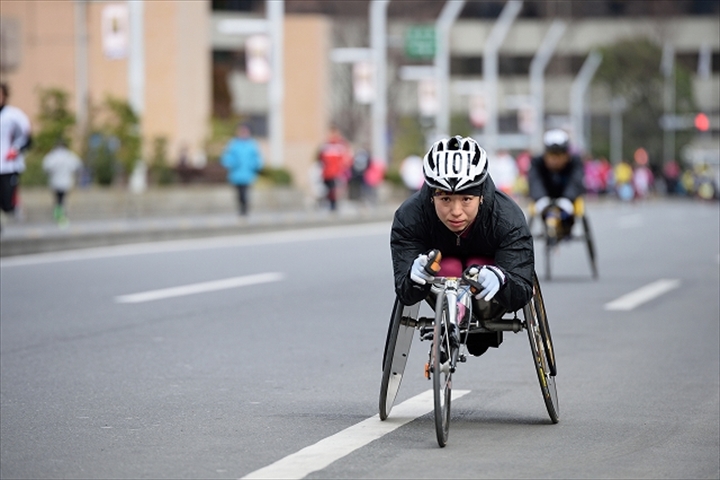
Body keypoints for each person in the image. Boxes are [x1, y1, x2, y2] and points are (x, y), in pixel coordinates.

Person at [390, 135, 534, 357]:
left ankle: (480, 327)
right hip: (441, 271)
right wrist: (413, 276)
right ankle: (453, 319)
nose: (456, 211)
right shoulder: (409, 217)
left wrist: (503, 279)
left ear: (481, 197)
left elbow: (523, 289)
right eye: (445, 199)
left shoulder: (508, 218)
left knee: (476, 267)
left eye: (466, 199)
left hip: (487, 279)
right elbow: (405, 293)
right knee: (449, 266)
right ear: (431, 197)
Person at [528, 129, 585, 241]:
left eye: (559, 155)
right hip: (544, 197)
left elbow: (576, 181)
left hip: (568, 199)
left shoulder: (575, 162)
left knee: (577, 208)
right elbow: (534, 181)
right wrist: (540, 198)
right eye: (551, 155)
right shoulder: (537, 162)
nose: (555, 160)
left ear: (567, 155)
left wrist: (568, 199)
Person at [0, 82, 32, 230]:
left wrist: (16, 149)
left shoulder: (14, 116)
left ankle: (14, 206)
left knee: (6, 204)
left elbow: (27, 139)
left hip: (8, 165)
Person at [221, 123, 263, 216]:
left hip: (248, 173)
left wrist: (256, 166)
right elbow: (227, 156)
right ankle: (241, 207)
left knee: (245, 192)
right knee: (239, 193)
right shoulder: (233, 143)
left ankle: (244, 209)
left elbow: (257, 157)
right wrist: (230, 163)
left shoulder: (252, 144)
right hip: (236, 173)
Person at [42, 139, 82, 225]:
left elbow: (46, 166)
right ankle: (60, 215)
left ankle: (58, 214)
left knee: (58, 198)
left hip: (55, 181)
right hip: (66, 181)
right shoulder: (69, 155)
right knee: (62, 199)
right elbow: (77, 165)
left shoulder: (52, 156)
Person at [317, 125, 351, 211]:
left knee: (334, 190)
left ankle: (333, 206)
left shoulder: (341, 145)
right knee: (328, 190)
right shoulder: (325, 145)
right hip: (327, 173)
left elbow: (346, 159)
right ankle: (329, 204)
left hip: (336, 173)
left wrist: (343, 170)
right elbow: (320, 158)